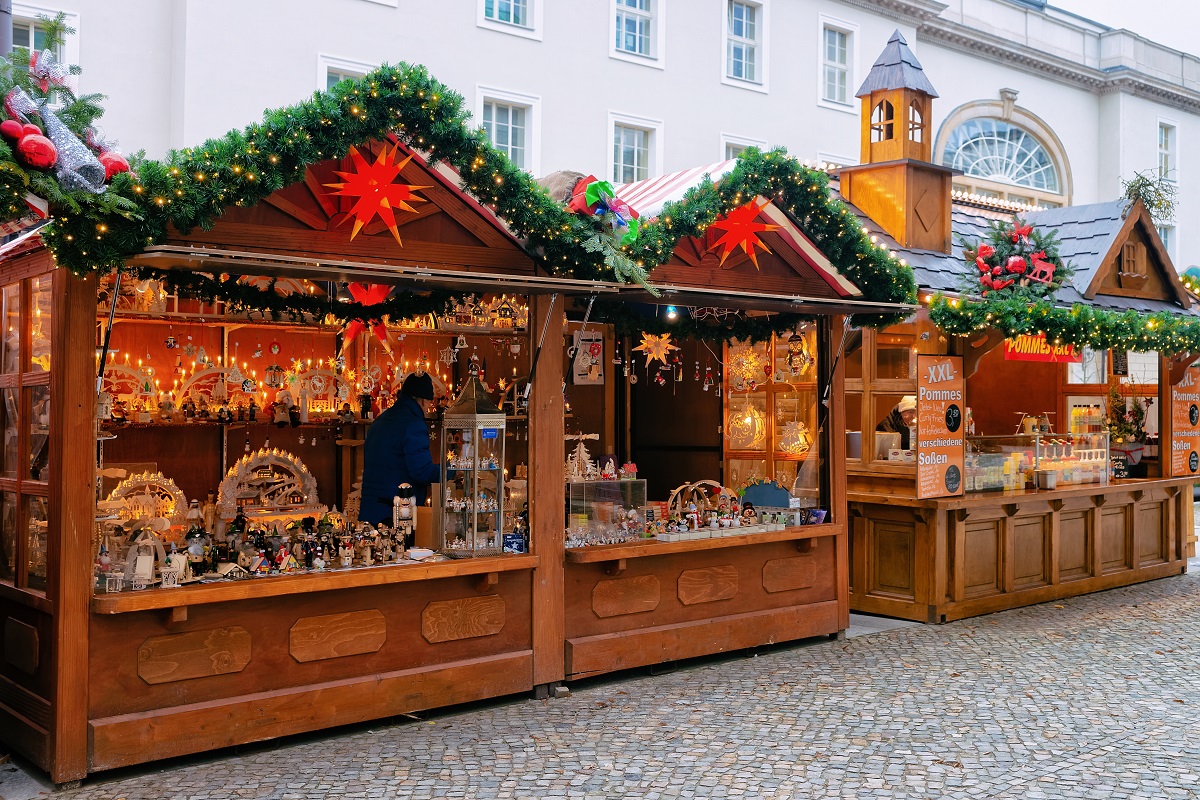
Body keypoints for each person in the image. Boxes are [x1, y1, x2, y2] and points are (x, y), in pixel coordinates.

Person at [359, 373, 441, 525]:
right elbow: (421, 472)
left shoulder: (380, 421)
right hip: (396, 513)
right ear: (422, 400)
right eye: (430, 402)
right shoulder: (414, 425)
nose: (429, 407)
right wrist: (451, 471)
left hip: (371, 509)